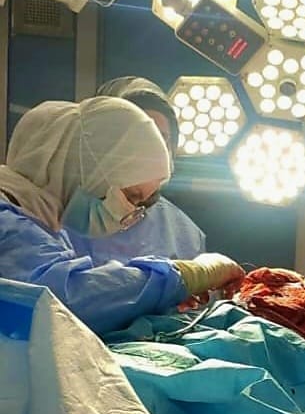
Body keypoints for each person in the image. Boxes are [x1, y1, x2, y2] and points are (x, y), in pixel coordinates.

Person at [0, 97, 244, 334]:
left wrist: (154, 303)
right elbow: (65, 302)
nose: (128, 215)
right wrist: (185, 275)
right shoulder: (7, 221)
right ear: (83, 169)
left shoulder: (42, 224)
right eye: (131, 196)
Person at [66, 77, 206, 264]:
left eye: (161, 139)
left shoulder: (187, 237)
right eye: (139, 139)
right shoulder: (57, 213)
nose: (151, 152)